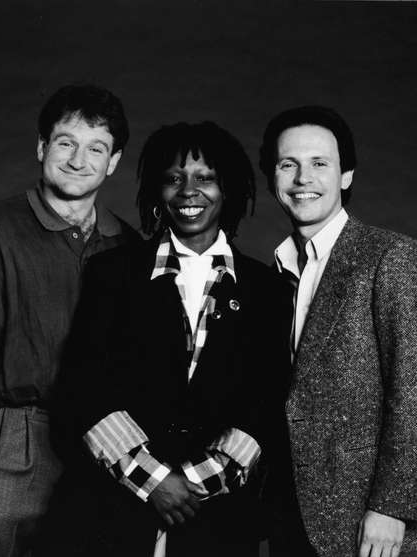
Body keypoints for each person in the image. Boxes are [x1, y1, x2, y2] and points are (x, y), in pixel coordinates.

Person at [0, 83, 139, 556]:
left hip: (100, 448)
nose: (79, 159)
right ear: (41, 147)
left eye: (96, 148)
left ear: (113, 161)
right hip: (10, 441)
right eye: (65, 142)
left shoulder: (128, 246)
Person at [52, 121, 286, 557]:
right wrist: (154, 480)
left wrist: (193, 486)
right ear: (156, 191)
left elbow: (267, 404)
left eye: (206, 178)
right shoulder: (112, 274)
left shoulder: (267, 290)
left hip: (218, 522)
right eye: (173, 178)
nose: (188, 191)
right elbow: (81, 390)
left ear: (229, 189)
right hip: (111, 512)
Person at [259, 106, 417, 557]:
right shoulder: (275, 271)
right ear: (272, 178)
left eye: (319, 163)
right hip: (284, 510)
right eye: (289, 164)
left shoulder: (392, 257)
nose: (304, 178)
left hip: (360, 518)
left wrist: (392, 507)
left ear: (345, 176)